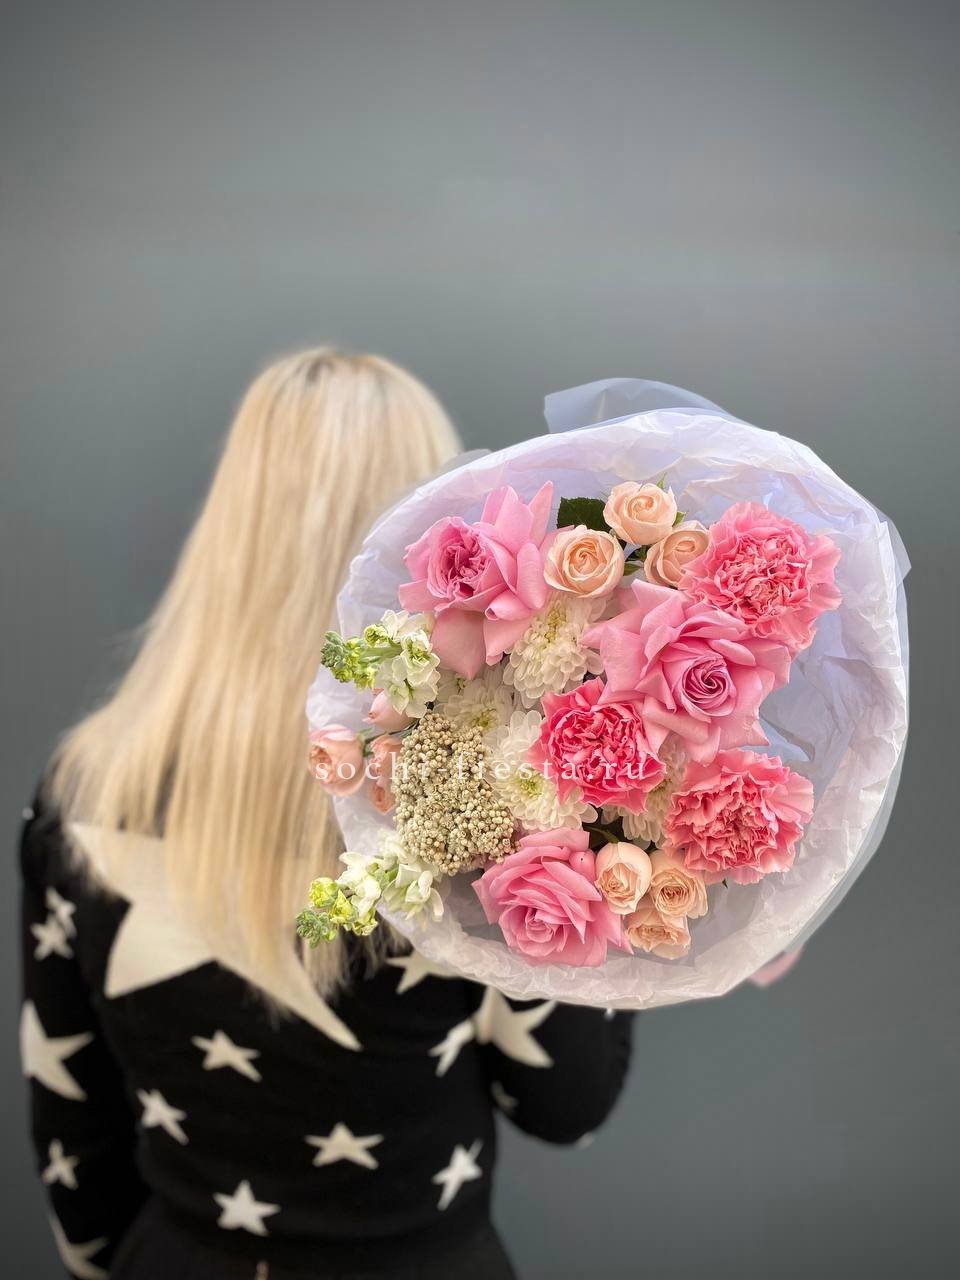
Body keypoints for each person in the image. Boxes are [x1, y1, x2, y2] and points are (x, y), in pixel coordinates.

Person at [20, 348, 633, 1280]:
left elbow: (76, 1142)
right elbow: (565, 1104)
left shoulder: (83, 795)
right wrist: (608, 849)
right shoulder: (477, 815)